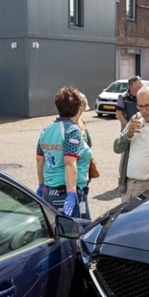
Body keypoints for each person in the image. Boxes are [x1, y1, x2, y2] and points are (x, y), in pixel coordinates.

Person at [36, 86, 92, 219]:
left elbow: (40, 160)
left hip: (49, 191)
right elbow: (69, 162)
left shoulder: (46, 129)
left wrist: (41, 185)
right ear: (78, 108)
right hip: (66, 193)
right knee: (76, 233)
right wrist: (71, 193)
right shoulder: (72, 130)